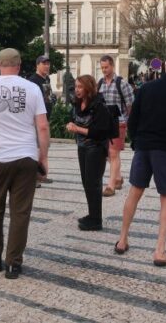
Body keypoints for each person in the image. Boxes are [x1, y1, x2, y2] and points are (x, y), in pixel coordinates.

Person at [115, 51, 166, 267]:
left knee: (134, 192)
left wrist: (135, 142)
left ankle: (122, 240)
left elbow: (133, 117)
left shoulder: (147, 88)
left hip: (143, 147)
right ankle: (160, 251)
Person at [0, 48, 49, 280]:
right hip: (26, 157)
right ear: (19, 65)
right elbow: (43, 127)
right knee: (20, 212)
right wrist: (43, 157)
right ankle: (13, 264)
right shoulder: (33, 88)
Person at [65, 75, 113, 231]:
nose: (77, 90)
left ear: (88, 88)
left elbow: (99, 132)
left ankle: (96, 220)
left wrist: (77, 128)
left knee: (94, 183)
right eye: (76, 86)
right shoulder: (79, 103)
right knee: (87, 183)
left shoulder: (99, 105)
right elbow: (74, 118)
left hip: (96, 148)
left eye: (80, 87)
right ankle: (92, 215)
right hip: (82, 147)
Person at [97, 55, 135, 197]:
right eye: (102, 68)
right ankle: (118, 178)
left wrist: (128, 121)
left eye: (106, 67)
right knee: (108, 153)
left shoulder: (122, 83)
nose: (104, 70)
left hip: (119, 123)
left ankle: (110, 186)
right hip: (104, 124)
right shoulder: (100, 83)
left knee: (113, 153)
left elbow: (131, 104)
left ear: (112, 66)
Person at [27, 55, 55, 186]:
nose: (47, 66)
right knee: (36, 149)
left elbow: (48, 96)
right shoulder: (33, 80)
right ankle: (33, 177)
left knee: (44, 148)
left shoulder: (46, 79)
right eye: (44, 64)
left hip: (45, 117)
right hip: (36, 120)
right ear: (37, 65)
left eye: (48, 64)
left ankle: (41, 174)